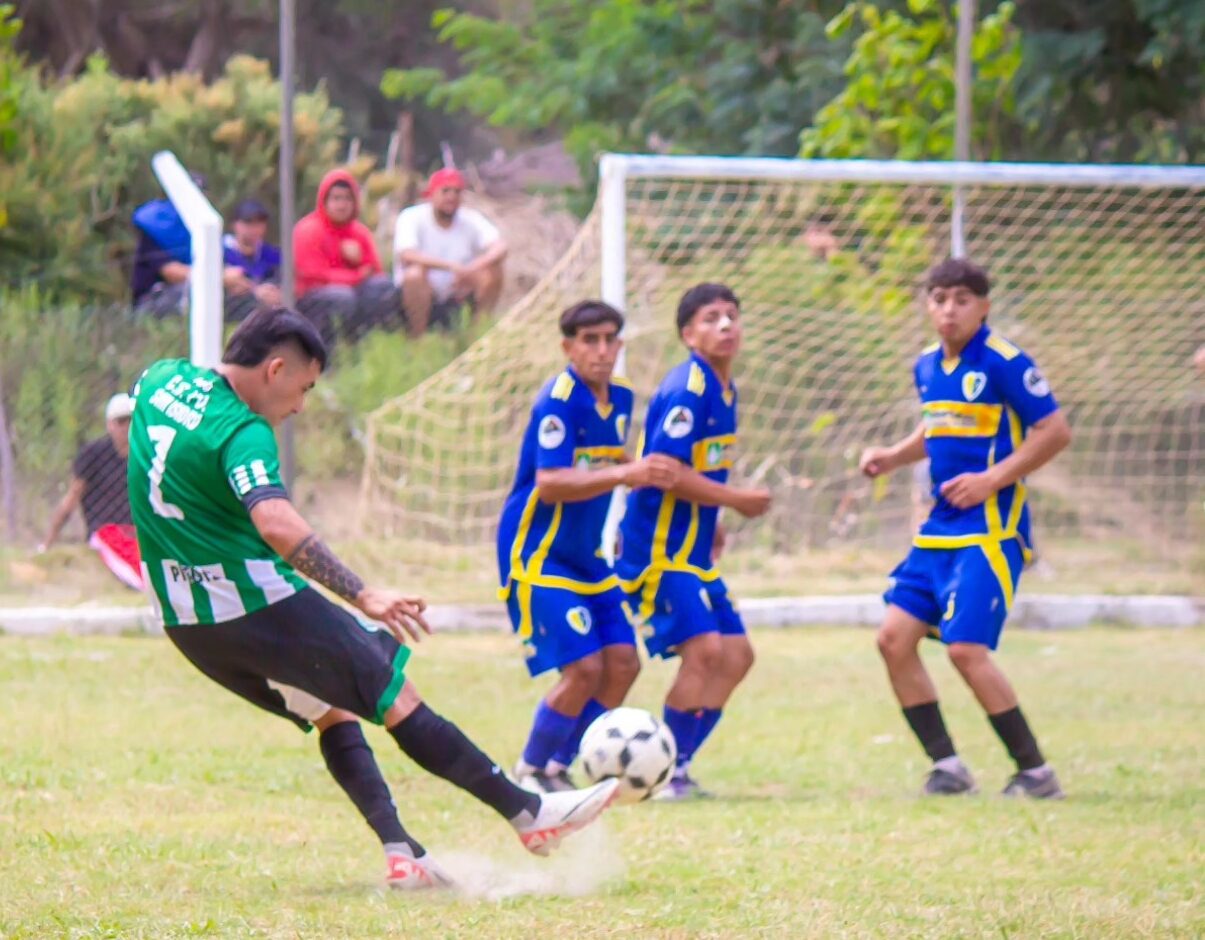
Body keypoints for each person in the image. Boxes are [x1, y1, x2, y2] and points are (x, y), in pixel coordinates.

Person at [125, 307, 618, 889]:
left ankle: (402, 853)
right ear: (276, 368)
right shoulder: (243, 431)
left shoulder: (160, 378)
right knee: (394, 694)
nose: (300, 407)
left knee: (328, 704)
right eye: (303, 388)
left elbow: (152, 435)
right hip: (251, 602)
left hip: (186, 623)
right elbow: (277, 523)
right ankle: (530, 813)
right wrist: (365, 594)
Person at [859, 258, 1072, 799]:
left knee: (964, 650)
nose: (949, 309)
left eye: (961, 299)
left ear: (983, 306)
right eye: (939, 299)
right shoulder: (928, 365)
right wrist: (891, 456)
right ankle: (948, 767)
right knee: (892, 640)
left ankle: (1036, 773)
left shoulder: (1004, 361)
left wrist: (992, 479)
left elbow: (1054, 430)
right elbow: (935, 426)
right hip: (938, 531)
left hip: (990, 530)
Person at [498, 300, 680, 793]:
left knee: (624, 663)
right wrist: (626, 473)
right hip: (539, 553)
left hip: (588, 556)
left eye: (609, 340)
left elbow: (615, 456)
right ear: (568, 347)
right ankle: (532, 771)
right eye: (589, 340)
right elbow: (552, 482)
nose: (601, 351)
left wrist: (645, 477)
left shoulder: (620, 398)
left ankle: (563, 765)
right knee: (584, 667)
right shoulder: (557, 401)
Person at [617, 283, 773, 800]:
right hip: (656, 553)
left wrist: (713, 519)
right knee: (705, 650)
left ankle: (674, 764)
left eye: (732, 315)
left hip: (691, 551)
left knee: (738, 656)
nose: (726, 326)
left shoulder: (724, 389)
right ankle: (665, 775)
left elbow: (696, 468)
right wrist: (734, 499)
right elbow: (663, 471)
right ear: (688, 334)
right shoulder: (689, 388)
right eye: (711, 318)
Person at [39, 393, 143, 590]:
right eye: (121, 421)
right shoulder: (94, 454)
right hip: (105, 531)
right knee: (134, 565)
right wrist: (47, 543)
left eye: (132, 420)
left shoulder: (146, 454)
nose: (127, 427)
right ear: (109, 424)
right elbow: (72, 497)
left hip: (139, 530)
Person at [394, 168, 508, 336]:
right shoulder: (411, 216)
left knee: (493, 271)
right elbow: (406, 254)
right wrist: (450, 267)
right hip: (426, 284)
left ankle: (478, 335)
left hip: (460, 283)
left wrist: (473, 267)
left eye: (457, 191)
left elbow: (500, 247)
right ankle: (418, 339)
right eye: (445, 191)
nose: (451, 197)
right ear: (432, 194)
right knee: (414, 275)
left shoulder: (471, 219)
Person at [293, 169, 400, 346]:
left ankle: (366, 344)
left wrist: (359, 260)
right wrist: (356, 276)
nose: (342, 205)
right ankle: (325, 352)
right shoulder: (308, 230)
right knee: (343, 296)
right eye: (336, 198)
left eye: (347, 199)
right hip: (312, 297)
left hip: (352, 292)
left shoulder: (359, 232)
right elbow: (313, 275)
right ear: (324, 201)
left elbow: (375, 270)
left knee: (382, 287)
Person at [131, 176, 262, 320]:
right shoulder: (157, 227)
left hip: (195, 290)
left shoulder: (200, 229)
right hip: (154, 300)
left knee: (250, 302)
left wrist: (254, 290)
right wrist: (221, 278)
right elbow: (171, 272)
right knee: (199, 293)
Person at [222, 199, 282, 322]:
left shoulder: (272, 254)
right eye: (248, 222)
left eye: (260, 222)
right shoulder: (220, 251)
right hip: (230, 308)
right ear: (235, 224)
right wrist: (256, 290)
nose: (254, 229)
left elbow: (281, 280)